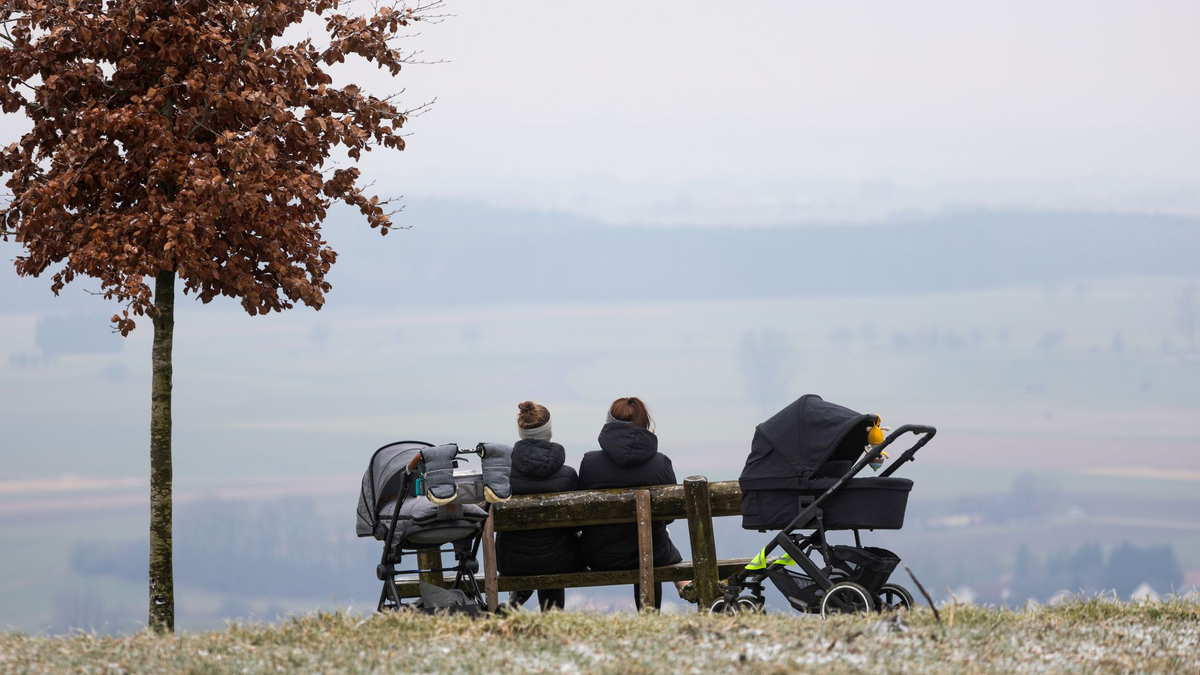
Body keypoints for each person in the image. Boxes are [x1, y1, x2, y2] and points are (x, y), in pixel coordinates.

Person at [578, 397, 689, 610]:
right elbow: (671, 516)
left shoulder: (590, 463)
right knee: (652, 540)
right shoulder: (660, 464)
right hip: (652, 554)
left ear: (609, 423)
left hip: (601, 555)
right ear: (645, 424)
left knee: (651, 541)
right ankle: (651, 611)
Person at [496, 401, 585, 611]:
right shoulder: (567, 476)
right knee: (553, 550)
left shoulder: (503, 477)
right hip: (560, 561)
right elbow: (577, 525)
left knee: (536, 551)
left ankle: (515, 601)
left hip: (513, 563)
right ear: (549, 432)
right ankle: (552, 616)